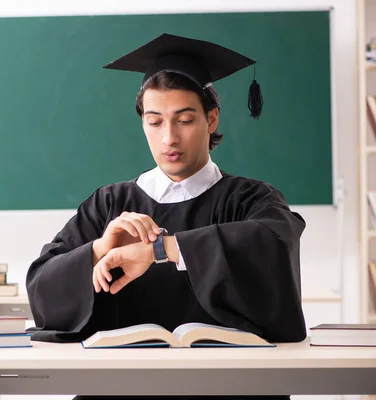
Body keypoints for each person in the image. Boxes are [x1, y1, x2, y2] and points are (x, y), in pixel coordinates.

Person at [25, 33, 307, 400]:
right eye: (155, 121)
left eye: (184, 120)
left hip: (229, 391)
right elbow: (42, 288)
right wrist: (97, 249)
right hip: (122, 391)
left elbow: (273, 247)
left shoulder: (249, 199)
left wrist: (164, 249)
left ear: (211, 118)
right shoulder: (111, 205)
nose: (169, 138)